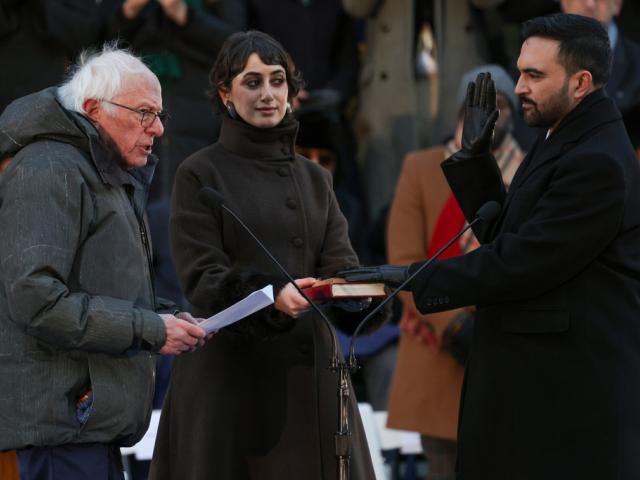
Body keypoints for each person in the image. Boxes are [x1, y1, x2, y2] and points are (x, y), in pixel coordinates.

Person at [338, 13, 640, 478]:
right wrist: (475, 163)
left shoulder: (596, 159)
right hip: (538, 395)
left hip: (566, 408)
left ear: (581, 82)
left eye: (534, 75)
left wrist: (410, 277)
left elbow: (520, 263)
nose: (519, 87)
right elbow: (511, 235)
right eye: (520, 70)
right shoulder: (565, 135)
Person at [150, 31, 378, 480]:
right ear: (225, 94)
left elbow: (340, 263)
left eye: (278, 81)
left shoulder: (316, 177)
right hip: (228, 384)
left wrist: (359, 293)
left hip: (309, 377)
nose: (268, 94)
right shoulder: (199, 172)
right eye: (252, 82)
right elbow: (204, 280)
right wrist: (274, 298)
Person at [0, 45, 207, 480]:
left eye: (160, 116)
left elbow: (104, 289)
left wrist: (164, 317)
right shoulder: (48, 169)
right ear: (94, 109)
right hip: (60, 427)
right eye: (145, 114)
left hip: (85, 423)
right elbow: (36, 300)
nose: (158, 130)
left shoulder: (98, 170)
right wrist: (150, 329)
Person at [385, 64, 525, 479]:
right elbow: (406, 259)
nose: (489, 116)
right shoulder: (421, 167)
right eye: (479, 106)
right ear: (459, 113)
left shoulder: (531, 168)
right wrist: (458, 327)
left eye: (500, 105)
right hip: (439, 346)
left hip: (510, 351)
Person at [559, 0, 640, 151]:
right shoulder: (533, 62)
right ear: (564, 3)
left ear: (617, 4)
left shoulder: (637, 65)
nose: (590, 4)